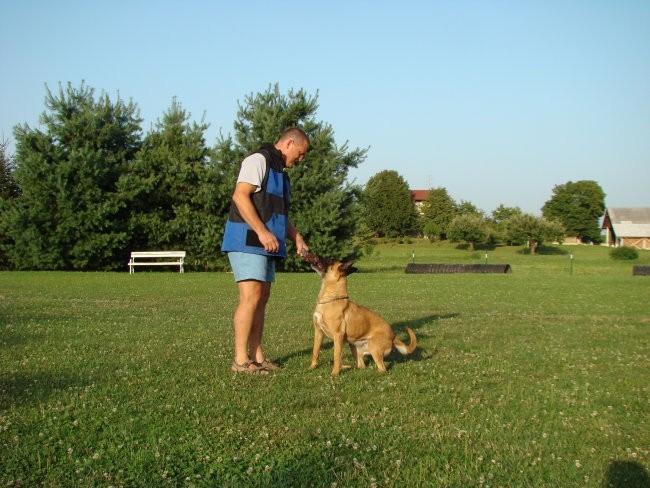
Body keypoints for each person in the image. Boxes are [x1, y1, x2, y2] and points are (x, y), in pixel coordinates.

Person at [221, 127, 310, 374]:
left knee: (261, 299)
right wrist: (261, 232)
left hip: (267, 244)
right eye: (300, 154)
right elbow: (240, 197)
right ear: (289, 144)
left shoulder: (281, 174)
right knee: (250, 298)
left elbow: (278, 214)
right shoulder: (258, 160)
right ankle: (240, 360)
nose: (300, 160)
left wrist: (296, 237)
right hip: (247, 240)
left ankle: (258, 357)